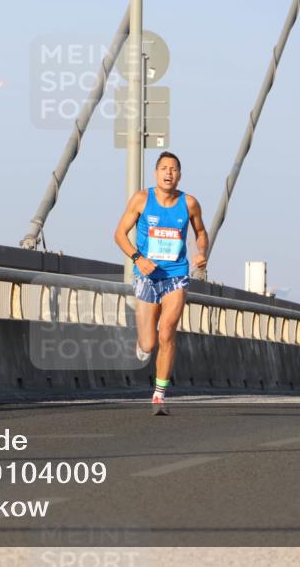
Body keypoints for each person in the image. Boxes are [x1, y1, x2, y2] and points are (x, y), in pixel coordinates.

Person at [113, 151, 208, 415]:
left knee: (167, 331)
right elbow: (119, 234)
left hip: (176, 275)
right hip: (147, 275)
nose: (169, 173)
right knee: (149, 343)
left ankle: (159, 394)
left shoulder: (189, 203)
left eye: (174, 169)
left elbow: (201, 233)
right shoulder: (142, 199)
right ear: (156, 173)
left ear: (179, 174)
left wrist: (201, 253)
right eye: (164, 168)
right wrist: (137, 257)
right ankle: (143, 344)